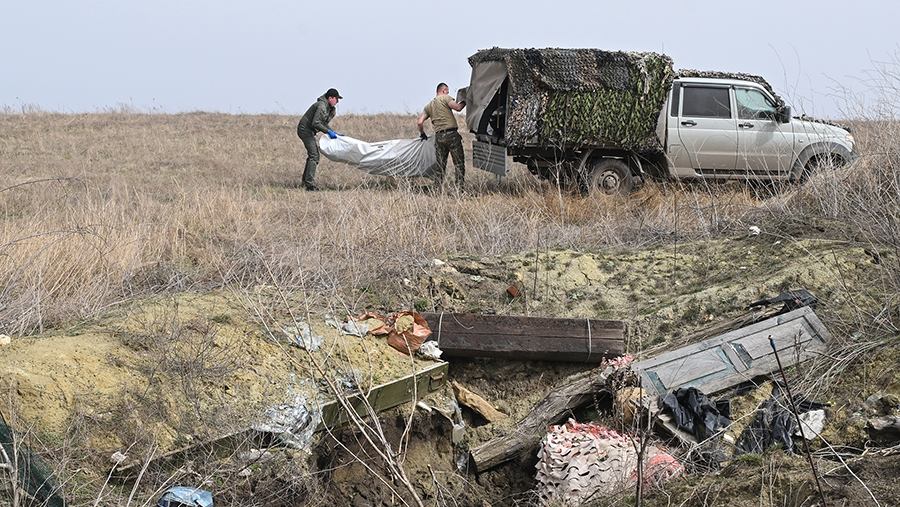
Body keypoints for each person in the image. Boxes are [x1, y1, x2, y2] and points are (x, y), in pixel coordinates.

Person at [417, 83, 466, 187]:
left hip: (439, 137)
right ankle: (459, 188)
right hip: (451, 135)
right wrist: (466, 100)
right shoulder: (445, 98)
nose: (448, 93)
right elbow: (458, 108)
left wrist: (422, 134)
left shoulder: (429, 106)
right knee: (459, 164)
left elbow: (420, 122)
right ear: (444, 91)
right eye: (447, 91)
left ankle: (438, 189)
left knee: (440, 165)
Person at [296, 88, 343, 191]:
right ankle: (309, 185)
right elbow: (316, 123)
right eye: (336, 99)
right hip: (305, 131)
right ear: (330, 98)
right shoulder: (321, 106)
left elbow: (324, 123)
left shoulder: (330, 109)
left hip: (311, 131)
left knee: (313, 156)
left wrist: (334, 133)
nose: (337, 101)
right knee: (314, 156)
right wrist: (328, 132)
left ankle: (305, 182)